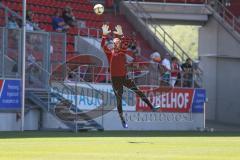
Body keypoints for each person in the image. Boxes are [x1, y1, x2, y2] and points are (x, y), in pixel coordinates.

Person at [101, 24, 160, 128]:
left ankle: (152, 107)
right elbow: (102, 45)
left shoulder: (123, 52)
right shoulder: (110, 53)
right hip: (115, 79)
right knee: (119, 99)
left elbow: (127, 41)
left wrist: (121, 34)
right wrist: (104, 35)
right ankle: (123, 120)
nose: (118, 44)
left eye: (119, 43)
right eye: (116, 43)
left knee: (138, 91)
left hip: (124, 77)